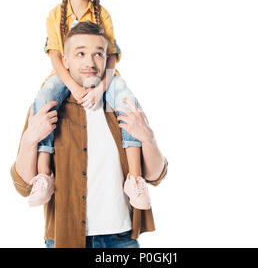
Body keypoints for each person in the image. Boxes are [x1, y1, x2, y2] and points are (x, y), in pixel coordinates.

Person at [10, 22, 168, 248]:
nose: (90, 63)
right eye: (80, 53)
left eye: (98, 54)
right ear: (65, 61)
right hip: (65, 237)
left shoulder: (123, 105)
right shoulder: (49, 108)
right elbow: (24, 185)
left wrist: (148, 138)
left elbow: (155, 176)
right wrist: (29, 139)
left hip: (121, 239)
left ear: (107, 59)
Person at [29, 0, 151, 211]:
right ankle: (43, 176)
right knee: (43, 102)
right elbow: (55, 55)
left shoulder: (102, 15)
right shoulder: (55, 15)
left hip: (103, 76)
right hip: (66, 74)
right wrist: (73, 86)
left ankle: (135, 179)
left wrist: (101, 87)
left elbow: (112, 57)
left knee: (129, 103)